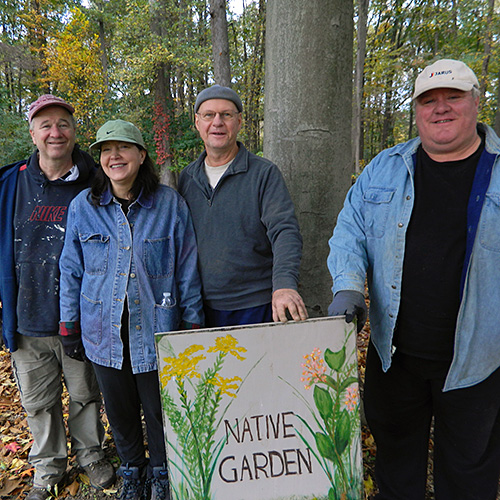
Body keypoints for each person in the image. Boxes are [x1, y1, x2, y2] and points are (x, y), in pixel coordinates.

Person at [328, 59, 500, 499]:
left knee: (468, 475)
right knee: (395, 468)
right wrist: (347, 285)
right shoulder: (385, 169)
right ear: (416, 110)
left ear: (476, 102)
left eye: (453, 97)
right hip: (394, 358)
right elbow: (350, 230)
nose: (440, 108)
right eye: (428, 100)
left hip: (477, 363)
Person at [58, 120, 204, 500]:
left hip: (157, 328)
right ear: (100, 159)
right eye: (107, 150)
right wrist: (68, 324)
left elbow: (186, 264)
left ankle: (161, 473)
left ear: (142, 156)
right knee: (120, 411)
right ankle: (133, 471)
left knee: (158, 409)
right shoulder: (83, 207)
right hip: (102, 330)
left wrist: (191, 319)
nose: (114, 156)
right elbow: (71, 269)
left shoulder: (169, 204)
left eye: (123, 148)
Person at [0, 95, 115, 500]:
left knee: (85, 393)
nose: (55, 132)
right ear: (32, 133)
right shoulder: (10, 184)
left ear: (74, 130)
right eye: (45, 125)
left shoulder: (97, 181)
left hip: (83, 316)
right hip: (27, 315)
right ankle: (48, 466)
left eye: (63, 123)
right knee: (38, 401)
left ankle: (90, 454)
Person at [178, 84, 307, 327]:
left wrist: (284, 285)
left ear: (239, 121)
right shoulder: (187, 178)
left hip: (255, 306)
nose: (217, 122)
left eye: (226, 115)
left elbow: (285, 231)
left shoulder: (263, 174)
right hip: (199, 308)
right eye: (209, 115)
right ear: (197, 123)